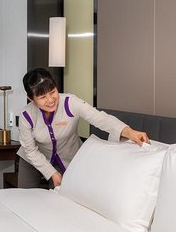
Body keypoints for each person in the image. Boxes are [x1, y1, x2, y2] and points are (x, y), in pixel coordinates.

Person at [17, 67, 149, 188]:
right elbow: (30, 150)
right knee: (26, 197)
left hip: (67, 156)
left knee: (65, 197)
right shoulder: (27, 116)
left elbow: (100, 118)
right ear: (31, 99)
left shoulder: (70, 103)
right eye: (42, 97)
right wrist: (51, 172)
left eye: (52, 92)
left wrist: (129, 132)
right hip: (33, 159)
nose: (50, 100)